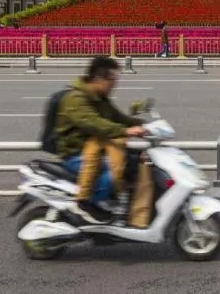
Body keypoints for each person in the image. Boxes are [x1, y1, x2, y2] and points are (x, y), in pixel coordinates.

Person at [54, 56, 153, 227]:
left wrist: (147, 126)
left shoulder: (100, 98)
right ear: (99, 79)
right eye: (112, 80)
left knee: (136, 160)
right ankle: (88, 204)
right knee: (117, 167)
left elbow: (119, 118)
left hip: (96, 147)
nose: (115, 84)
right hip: (76, 152)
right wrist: (125, 131)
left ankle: (122, 205)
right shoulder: (76, 99)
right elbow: (94, 123)